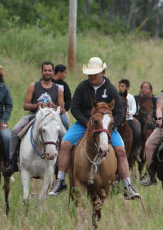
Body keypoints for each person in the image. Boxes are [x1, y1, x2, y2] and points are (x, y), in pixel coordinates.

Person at [48, 57, 140, 200]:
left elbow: (120, 111)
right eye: (89, 74)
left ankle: (127, 185)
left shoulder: (110, 88)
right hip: (84, 124)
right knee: (65, 144)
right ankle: (60, 180)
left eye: (94, 74)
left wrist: (111, 126)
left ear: (102, 72)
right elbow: (74, 108)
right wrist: (86, 123)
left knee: (121, 150)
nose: (91, 76)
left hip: (106, 126)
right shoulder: (82, 86)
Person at [7, 61, 65, 175]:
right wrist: (37, 106)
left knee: (65, 135)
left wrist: (53, 106)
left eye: (49, 70)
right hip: (34, 115)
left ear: (53, 72)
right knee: (15, 131)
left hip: (51, 118)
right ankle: (12, 161)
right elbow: (25, 105)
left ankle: (60, 165)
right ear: (42, 71)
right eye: (45, 70)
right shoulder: (34, 85)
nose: (47, 72)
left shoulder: (58, 89)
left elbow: (62, 109)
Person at [118, 79, 141, 159]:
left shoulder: (130, 97)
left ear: (127, 88)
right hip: (118, 119)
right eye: (119, 86)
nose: (120, 88)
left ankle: (136, 151)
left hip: (128, 119)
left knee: (137, 132)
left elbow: (134, 109)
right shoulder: (116, 97)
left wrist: (129, 113)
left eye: (122, 86)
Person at [53, 64, 72, 130]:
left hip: (60, 109)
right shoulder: (48, 82)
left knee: (65, 123)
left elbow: (68, 98)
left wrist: (65, 109)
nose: (65, 75)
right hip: (47, 107)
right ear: (59, 72)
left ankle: (66, 136)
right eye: (65, 73)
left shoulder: (64, 85)